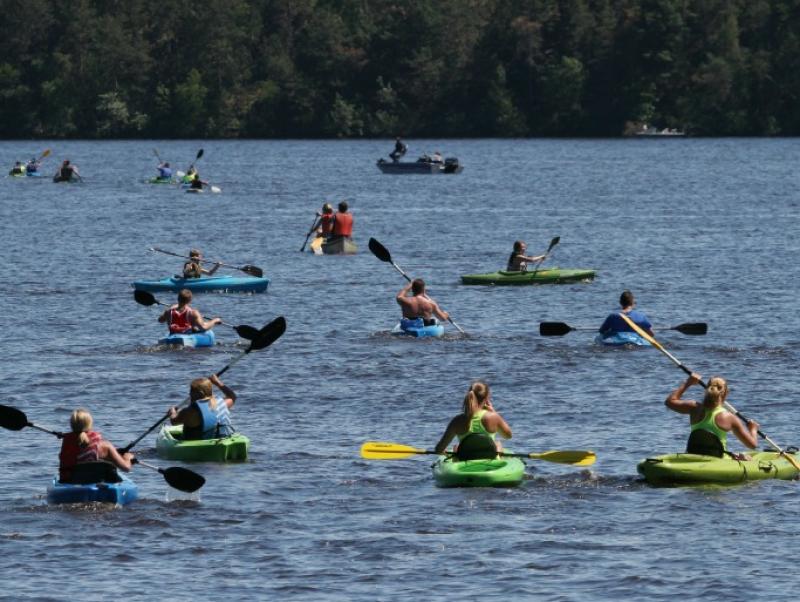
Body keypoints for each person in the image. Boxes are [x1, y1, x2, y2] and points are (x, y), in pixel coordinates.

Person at [665, 373, 759, 458]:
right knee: (747, 458)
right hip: (718, 460)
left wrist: (688, 383)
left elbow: (669, 401)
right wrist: (753, 429)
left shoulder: (694, 408)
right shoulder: (729, 417)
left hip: (693, 456)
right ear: (726, 393)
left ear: (707, 390)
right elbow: (752, 445)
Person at [434, 381, 512, 456]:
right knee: (498, 443)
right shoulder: (493, 417)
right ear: (487, 397)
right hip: (490, 459)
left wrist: (445, 453)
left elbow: (439, 449)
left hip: (465, 459)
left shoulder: (457, 420)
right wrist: (494, 412)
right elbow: (508, 436)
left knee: (456, 447)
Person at [59, 409, 135, 483]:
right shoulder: (105, 446)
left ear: (72, 425)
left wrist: (115, 452)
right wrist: (128, 458)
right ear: (90, 424)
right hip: (97, 482)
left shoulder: (67, 441)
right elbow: (126, 468)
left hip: (71, 481)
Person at [167, 375, 236, 440]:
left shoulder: (190, 411)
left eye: (191, 391)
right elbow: (232, 396)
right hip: (223, 438)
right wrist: (217, 383)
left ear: (200, 393)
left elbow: (174, 421)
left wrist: (172, 412)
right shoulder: (222, 403)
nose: (189, 394)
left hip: (200, 444)